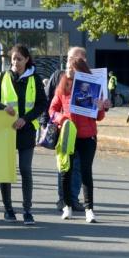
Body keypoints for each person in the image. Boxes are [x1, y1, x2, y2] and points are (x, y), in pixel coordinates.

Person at [0, 44, 46, 225]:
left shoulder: (34, 78)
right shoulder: (2, 77)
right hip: (6, 130)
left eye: (19, 59)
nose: (16, 62)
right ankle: (8, 209)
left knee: (25, 170)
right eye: (13, 59)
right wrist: (4, 107)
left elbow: (42, 104)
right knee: (6, 171)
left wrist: (25, 119)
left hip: (26, 131)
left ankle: (27, 210)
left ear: (27, 60)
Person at [49, 57, 111, 223]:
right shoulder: (63, 87)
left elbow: (99, 117)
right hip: (68, 134)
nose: (68, 70)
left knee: (85, 172)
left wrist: (100, 107)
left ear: (81, 70)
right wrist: (62, 119)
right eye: (67, 67)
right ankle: (67, 206)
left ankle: (89, 209)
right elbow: (52, 110)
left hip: (88, 136)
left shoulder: (93, 87)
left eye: (72, 67)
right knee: (65, 171)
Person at [46, 46, 85, 212]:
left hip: (84, 132)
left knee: (78, 167)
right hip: (66, 130)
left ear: (83, 61)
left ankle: (73, 199)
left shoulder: (91, 79)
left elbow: (99, 110)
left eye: (73, 59)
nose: (69, 62)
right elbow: (51, 104)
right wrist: (57, 120)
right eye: (68, 58)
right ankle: (63, 199)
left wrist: (103, 107)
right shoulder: (60, 78)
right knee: (64, 164)